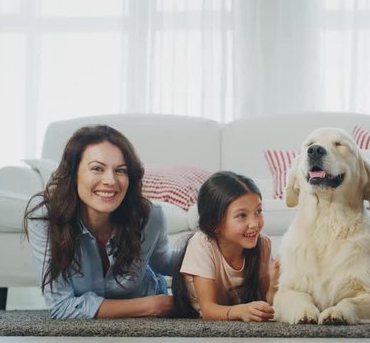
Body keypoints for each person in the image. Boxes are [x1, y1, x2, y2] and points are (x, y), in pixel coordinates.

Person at [25, 125, 175, 319]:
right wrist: (151, 305)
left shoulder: (149, 216)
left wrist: (214, 248)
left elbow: (164, 262)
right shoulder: (46, 215)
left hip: (150, 303)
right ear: (73, 173)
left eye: (121, 171)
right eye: (97, 168)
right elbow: (61, 306)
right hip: (149, 307)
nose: (110, 181)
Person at [171, 171, 278, 321]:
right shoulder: (203, 244)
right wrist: (240, 311)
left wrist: (274, 285)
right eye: (242, 215)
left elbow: (269, 302)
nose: (255, 224)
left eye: (258, 211)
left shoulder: (263, 244)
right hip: (202, 315)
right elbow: (208, 310)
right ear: (214, 223)